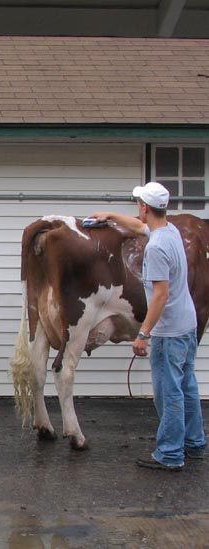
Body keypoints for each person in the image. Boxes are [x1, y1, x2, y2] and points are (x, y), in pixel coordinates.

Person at [91, 181, 207, 471]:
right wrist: (111, 215)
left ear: (144, 207)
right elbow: (139, 226)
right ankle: (194, 444)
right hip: (187, 324)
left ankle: (170, 453)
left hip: (169, 332)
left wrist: (143, 334)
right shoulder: (170, 232)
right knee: (187, 385)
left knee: (169, 392)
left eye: (138, 204)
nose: (137, 209)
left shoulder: (155, 248)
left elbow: (161, 295)